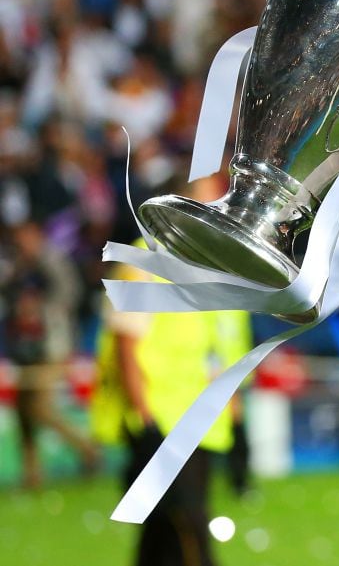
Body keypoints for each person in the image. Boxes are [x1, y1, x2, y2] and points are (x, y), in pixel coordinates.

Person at [90, 176, 252, 566]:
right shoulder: (146, 263)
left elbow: (218, 349)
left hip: (199, 420)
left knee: (163, 533)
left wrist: (237, 419)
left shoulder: (212, 267)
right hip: (162, 421)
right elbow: (125, 350)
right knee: (188, 528)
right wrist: (144, 421)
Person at [2, 219, 100, 488]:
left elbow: (70, 295)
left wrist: (37, 308)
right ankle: (31, 476)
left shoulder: (53, 262)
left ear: (35, 234)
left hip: (51, 346)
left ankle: (88, 449)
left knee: (39, 408)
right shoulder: (17, 266)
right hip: (23, 348)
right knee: (23, 412)